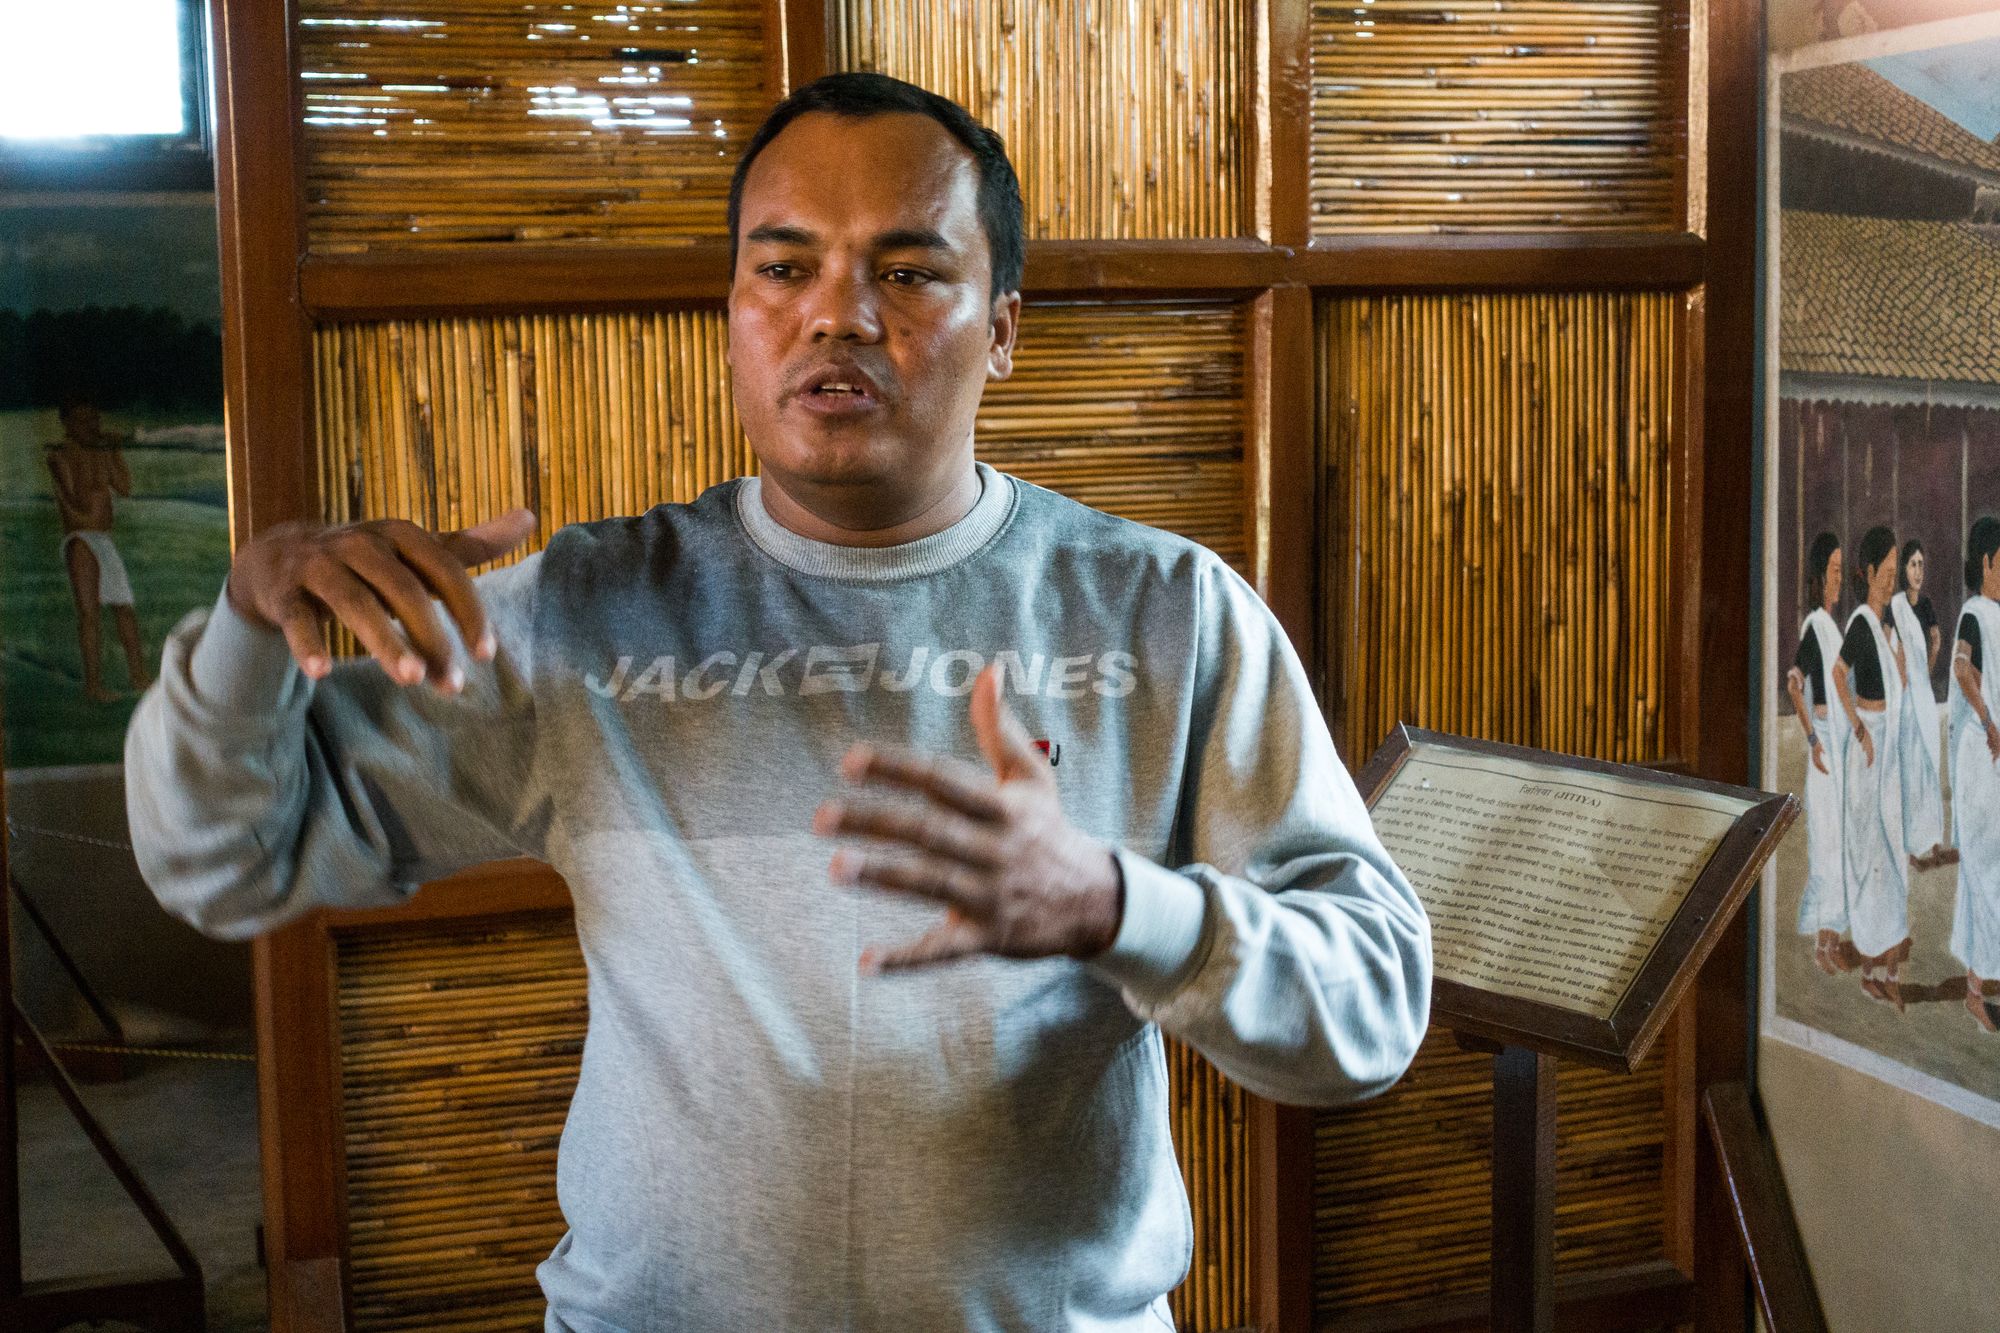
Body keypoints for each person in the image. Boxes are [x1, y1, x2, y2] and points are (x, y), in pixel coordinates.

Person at [124, 73, 1432, 1331]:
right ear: (736, 313)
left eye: (910, 272)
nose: (840, 314)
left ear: (1007, 329)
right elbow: (226, 860)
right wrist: (247, 625)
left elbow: (1369, 1010)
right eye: (785, 265)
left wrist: (1115, 908)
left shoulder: (1166, 613)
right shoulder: (587, 615)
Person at [1833, 525, 1910, 1007]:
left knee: (1893, 855)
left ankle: (1888, 967)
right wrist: (1860, 731)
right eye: (1885, 573)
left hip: (1891, 751)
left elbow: (1903, 681)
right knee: (1869, 854)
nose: (1891, 580)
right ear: (1868, 573)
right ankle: (1869, 968)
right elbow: (1839, 676)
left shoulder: (1890, 625)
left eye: (1894, 572)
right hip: (1868, 751)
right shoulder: (1861, 622)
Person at [47, 400, 150, 701]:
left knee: (124, 609)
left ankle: (138, 676)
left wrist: (114, 452)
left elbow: (125, 487)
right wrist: (85, 522)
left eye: (94, 420)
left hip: (103, 540)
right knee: (90, 614)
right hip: (81, 539)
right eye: (82, 421)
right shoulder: (61, 456)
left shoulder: (100, 452)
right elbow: (69, 502)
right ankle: (93, 686)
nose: (91, 427)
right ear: (66, 423)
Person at [1787, 532, 1848, 975]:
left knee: (1839, 845)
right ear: (1818, 577)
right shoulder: (1814, 627)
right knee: (1826, 844)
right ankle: (1821, 946)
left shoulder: (1832, 626)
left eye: (1842, 571)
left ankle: (1831, 941)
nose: (1839, 580)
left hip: (1840, 742)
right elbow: (1793, 683)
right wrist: (1813, 739)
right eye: (1834, 571)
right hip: (1824, 743)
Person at [1949, 516, 2000, 1033]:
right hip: (1981, 755)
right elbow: (1963, 669)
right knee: (1986, 867)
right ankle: (1978, 988)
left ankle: (1974, 988)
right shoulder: (1973, 613)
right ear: (1985, 562)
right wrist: (1988, 720)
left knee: (1990, 869)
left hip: (1997, 755)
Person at [1891, 540, 1950, 869]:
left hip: (1922, 694)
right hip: (1904, 699)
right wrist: (1903, 680)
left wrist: (1924, 672)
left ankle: (1935, 842)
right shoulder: (1896, 605)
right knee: (1910, 767)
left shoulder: (1925, 605)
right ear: (1903, 569)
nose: (1917, 571)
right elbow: (1892, 644)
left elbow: (1937, 639)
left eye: (1921, 565)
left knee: (1930, 763)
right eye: (1912, 564)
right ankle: (1912, 846)